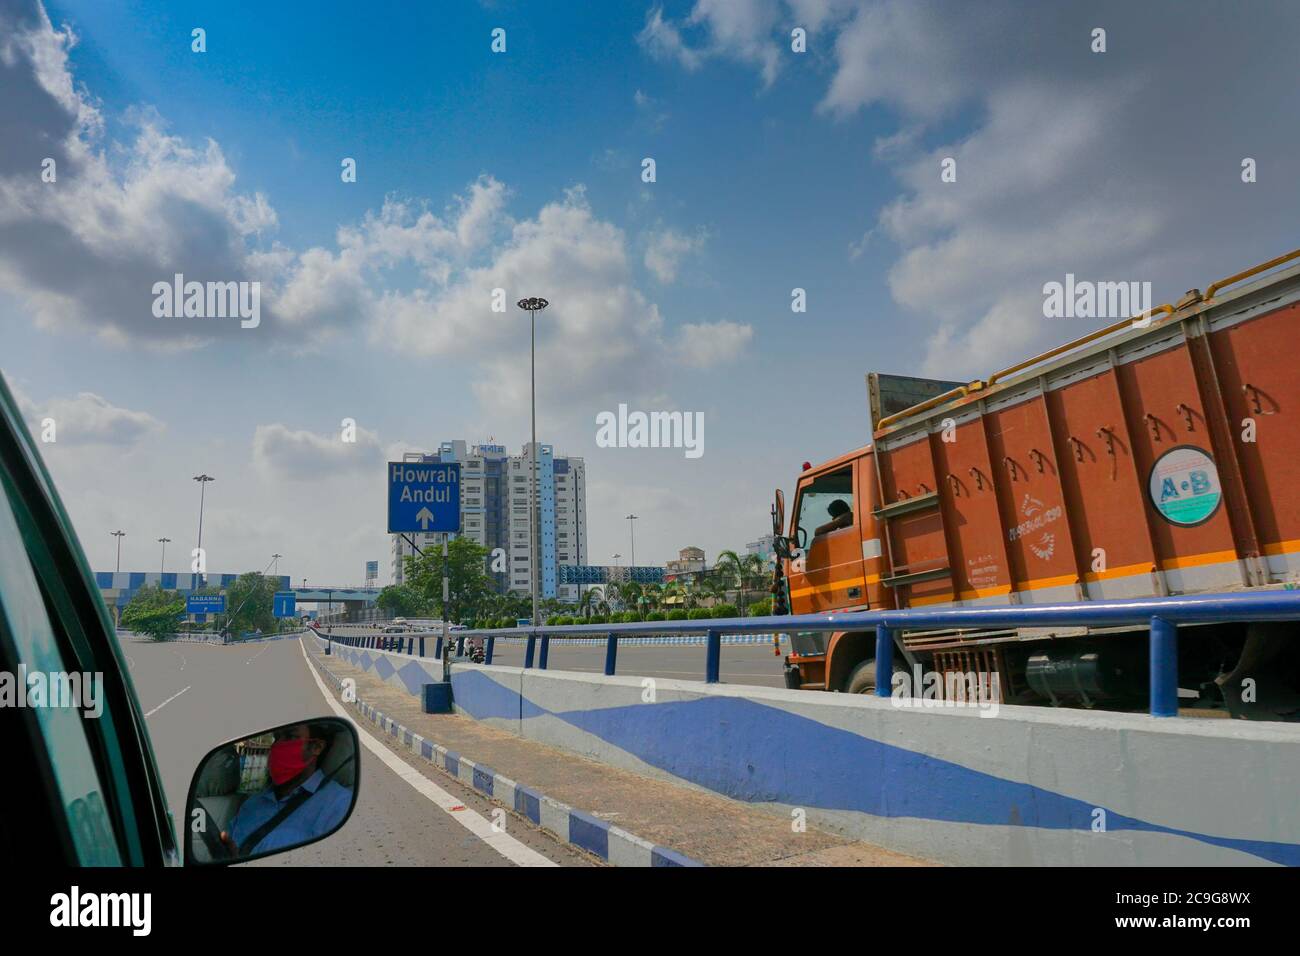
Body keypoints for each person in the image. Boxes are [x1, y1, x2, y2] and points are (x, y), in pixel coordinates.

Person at [222, 722, 352, 857]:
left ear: (316, 747)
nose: (277, 745)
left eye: (290, 736)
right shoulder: (251, 804)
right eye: (276, 738)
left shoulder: (340, 805)